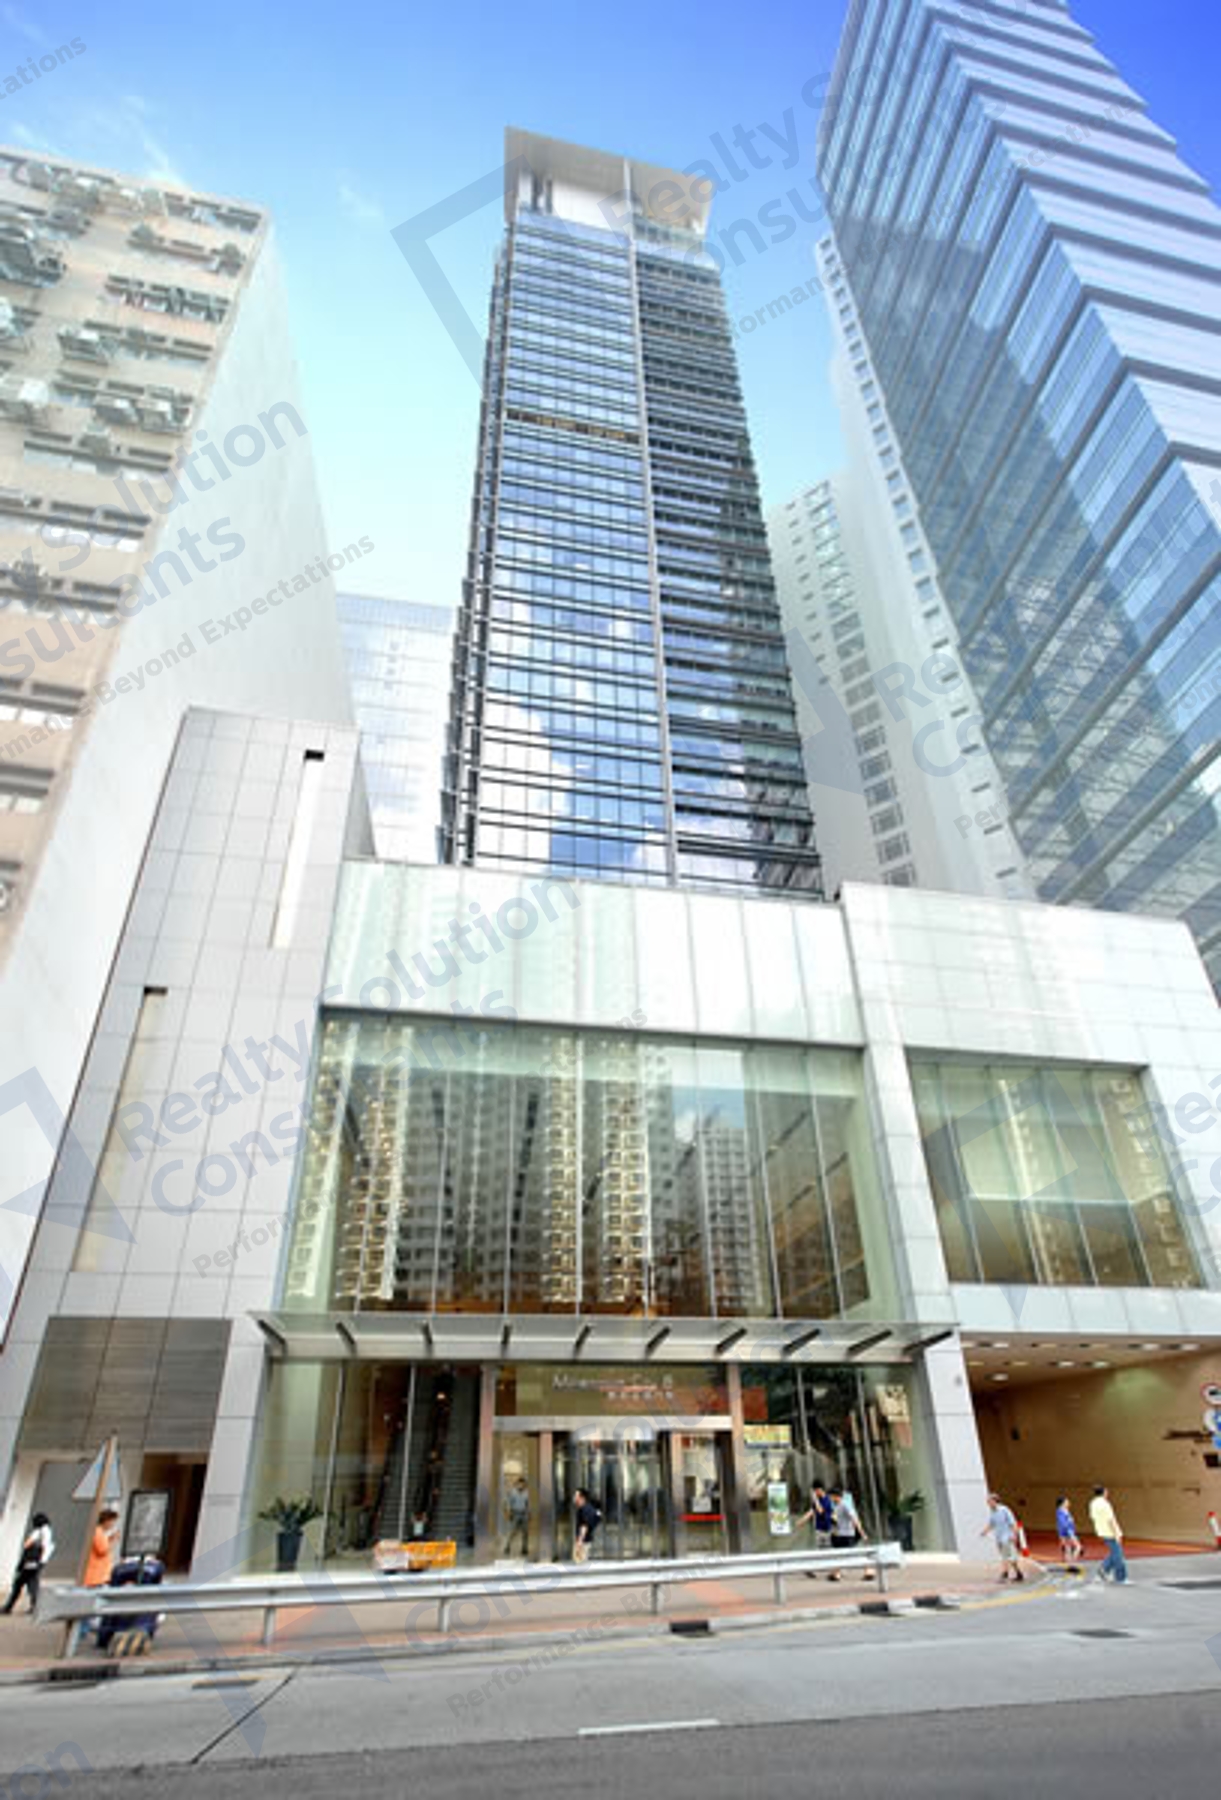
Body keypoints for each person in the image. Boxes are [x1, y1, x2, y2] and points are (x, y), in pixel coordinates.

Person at [3, 1513, 54, 1616]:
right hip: (38, 1563)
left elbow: (28, 1544)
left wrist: (29, 1547)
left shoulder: (39, 1531)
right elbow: (46, 1547)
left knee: (20, 1583)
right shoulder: (48, 1531)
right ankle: (33, 1607)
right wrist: (41, 1561)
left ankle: (9, 1607)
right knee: (31, 1584)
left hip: (31, 1562)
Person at [827, 1486, 873, 1580]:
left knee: (853, 1554)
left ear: (836, 1496)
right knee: (839, 1554)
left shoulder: (845, 1505)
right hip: (840, 1534)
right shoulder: (837, 1506)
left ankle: (868, 1570)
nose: (830, 1499)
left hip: (847, 1534)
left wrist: (862, 1533)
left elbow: (854, 1519)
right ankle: (836, 1573)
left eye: (831, 1496)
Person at [1089, 1484, 1128, 1584]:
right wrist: (1116, 1534)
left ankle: (1103, 1570)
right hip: (1110, 1532)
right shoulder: (1105, 1504)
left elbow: (1093, 1517)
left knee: (1114, 1553)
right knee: (1118, 1556)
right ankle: (1120, 1578)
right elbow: (1110, 1520)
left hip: (1101, 1531)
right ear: (1104, 1492)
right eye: (1106, 1491)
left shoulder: (1093, 1503)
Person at [981, 1492, 1024, 1582]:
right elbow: (992, 1524)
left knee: (1006, 1556)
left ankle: (1005, 1574)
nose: (988, 1503)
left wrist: (1014, 1535)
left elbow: (1012, 1523)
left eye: (989, 1501)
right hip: (999, 1538)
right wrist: (985, 1531)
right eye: (988, 1502)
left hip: (1007, 1537)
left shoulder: (1004, 1510)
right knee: (1010, 1557)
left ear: (995, 1501)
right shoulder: (993, 1512)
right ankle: (1018, 1573)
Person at [796, 1481, 836, 1576]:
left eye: (815, 1491)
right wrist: (802, 1521)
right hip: (819, 1529)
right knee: (821, 1550)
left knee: (828, 1551)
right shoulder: (819, 1500)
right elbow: (812, 1511)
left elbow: (821, 1511)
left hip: (827, 1529)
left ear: (819, 1490)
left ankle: (835, 1571)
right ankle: (814, 1569)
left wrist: (815, 1499)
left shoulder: (827, 1499)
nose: (814, 1493)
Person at [84, 1509, 120, 1588]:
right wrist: (113, 1541)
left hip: (98, 1576)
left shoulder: (99, 1532)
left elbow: (102, 1545)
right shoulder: (98, 1532)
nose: (113, 1525)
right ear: (106, 1521)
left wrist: (110, 1539)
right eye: (112, 1521)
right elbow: (103, 1550)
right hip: (96, 1577)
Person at [503, 1478, 530, 1558]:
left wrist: (528, 1513)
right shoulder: (512, 1493)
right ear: (517, 1484)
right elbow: (508, 1502)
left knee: (525, 1532)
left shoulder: (526, 1493)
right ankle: (507, 1547)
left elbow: (528, 1504)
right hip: (515, 1514)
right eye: (520, 1484)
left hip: (524, 1514)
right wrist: (509, 1512)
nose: (521, 1486)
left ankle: (524, 1548)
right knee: (512, 1532)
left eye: (523, 1484)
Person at [1055, 1494, 1083, 1570]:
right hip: (1067, 1532)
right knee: (1078, 1547)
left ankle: (1069, 1565)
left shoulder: (1064, 1511)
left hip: (1067, 1532)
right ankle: (1072, 1563)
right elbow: (1063, 1523)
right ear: (1062, 1503)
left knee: (1068, 1549)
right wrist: (1069, 1533)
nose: (1068, 1503)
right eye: (1067, 1501)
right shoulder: (1061, 1512)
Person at [573, 1487, 601, 1563]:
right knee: (582, 1562)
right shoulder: (587, 1508)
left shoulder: (584, 1510)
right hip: (586, 1540)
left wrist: (580, 1541)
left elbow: (584, 1526)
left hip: (584, 1541)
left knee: (580, 1563)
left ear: (582, 1498)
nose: (574, 1498)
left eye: (576, 1496)